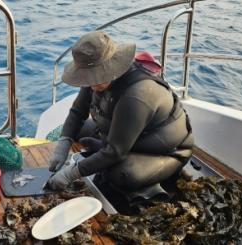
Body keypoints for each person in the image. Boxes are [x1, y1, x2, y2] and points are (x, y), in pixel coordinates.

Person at [46, 31, 194, 212]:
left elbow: (115, 152)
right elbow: (77, 112)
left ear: (111, 67)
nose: (91, 85)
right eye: (88, 78)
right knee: (77, 131)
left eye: (95, 78)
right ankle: (102, 147)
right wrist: (63, 143)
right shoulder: (96, 81)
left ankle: (152, 180)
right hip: (123, 137)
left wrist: (71, 173)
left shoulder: (138, 95)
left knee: (120, 174)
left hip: (164, 152)